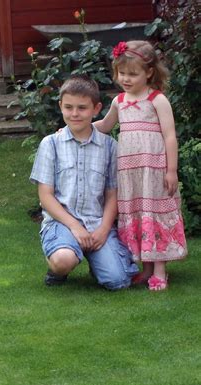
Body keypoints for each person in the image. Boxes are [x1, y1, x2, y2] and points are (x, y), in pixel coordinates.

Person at [30, 74, 138, 290]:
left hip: (96, 223)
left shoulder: (109, 147)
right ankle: (58, 269)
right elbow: (45, 196)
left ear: (96, 109)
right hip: (62, 223)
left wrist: (104, 228)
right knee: (63, 260)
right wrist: (74, 226)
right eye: (68, 107)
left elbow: (112, 194)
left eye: (82, 108)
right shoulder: (51, 144)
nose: (75, 113)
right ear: (60, 106)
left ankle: (97, 259)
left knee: (118, 281)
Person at [94, 40, 187, 291]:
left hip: (154, 168)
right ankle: (146, 268)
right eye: (121, 73)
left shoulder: (157, 100)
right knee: (138, 212)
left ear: (149, 72)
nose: (126, 78)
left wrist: (171, 170)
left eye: (132, 74)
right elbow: (104, 126)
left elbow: (170, 136)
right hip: (130, 171)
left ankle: (160, 269)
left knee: (155, 212)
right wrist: (76, 127)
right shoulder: (119, 101)